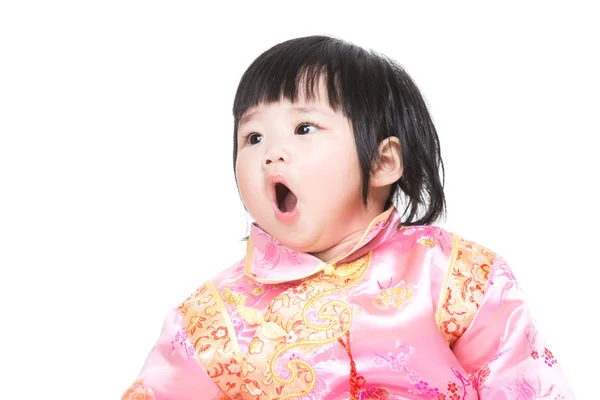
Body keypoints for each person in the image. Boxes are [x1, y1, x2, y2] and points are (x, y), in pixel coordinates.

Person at [121, 35, 575, 400]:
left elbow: (523, 383)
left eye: (304, 128)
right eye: (253, 136)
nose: (271, 153)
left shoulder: (455, 278)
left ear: (383, 163)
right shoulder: (214, 317)